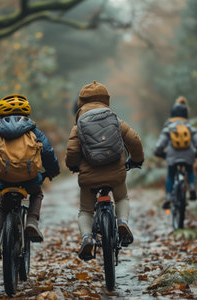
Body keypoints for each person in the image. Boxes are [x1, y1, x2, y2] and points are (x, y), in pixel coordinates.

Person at [65, 80, 144, 260]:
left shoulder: (79, 126)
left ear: (80, 102)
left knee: (85, 210)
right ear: (106, 100)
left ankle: (86, 238)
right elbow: (134, 141)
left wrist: (73, 166)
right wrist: (136, 160)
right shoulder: (115, 120)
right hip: (116, 174)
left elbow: (72, 151)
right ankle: (122, 222)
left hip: (89, 178)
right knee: (122, 197)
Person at [0, 94, 60, 251]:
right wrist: (52, 171)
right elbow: (47, 151)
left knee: (4, 206)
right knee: (36, 194)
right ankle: (32, 222)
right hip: (30, 178)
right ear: (26, 113)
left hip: (6, 179)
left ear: (1, 114)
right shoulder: (34, 132)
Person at [154, 96, 197, 209]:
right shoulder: (189, 127)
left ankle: (168, 197)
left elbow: (160, 145)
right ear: (186, 114)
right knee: (190, 169)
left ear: (172, 114)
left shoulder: (169, 127)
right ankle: (191, 187)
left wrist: (159, 153)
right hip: (188, 156)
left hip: (172, 157)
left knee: (171, 175)